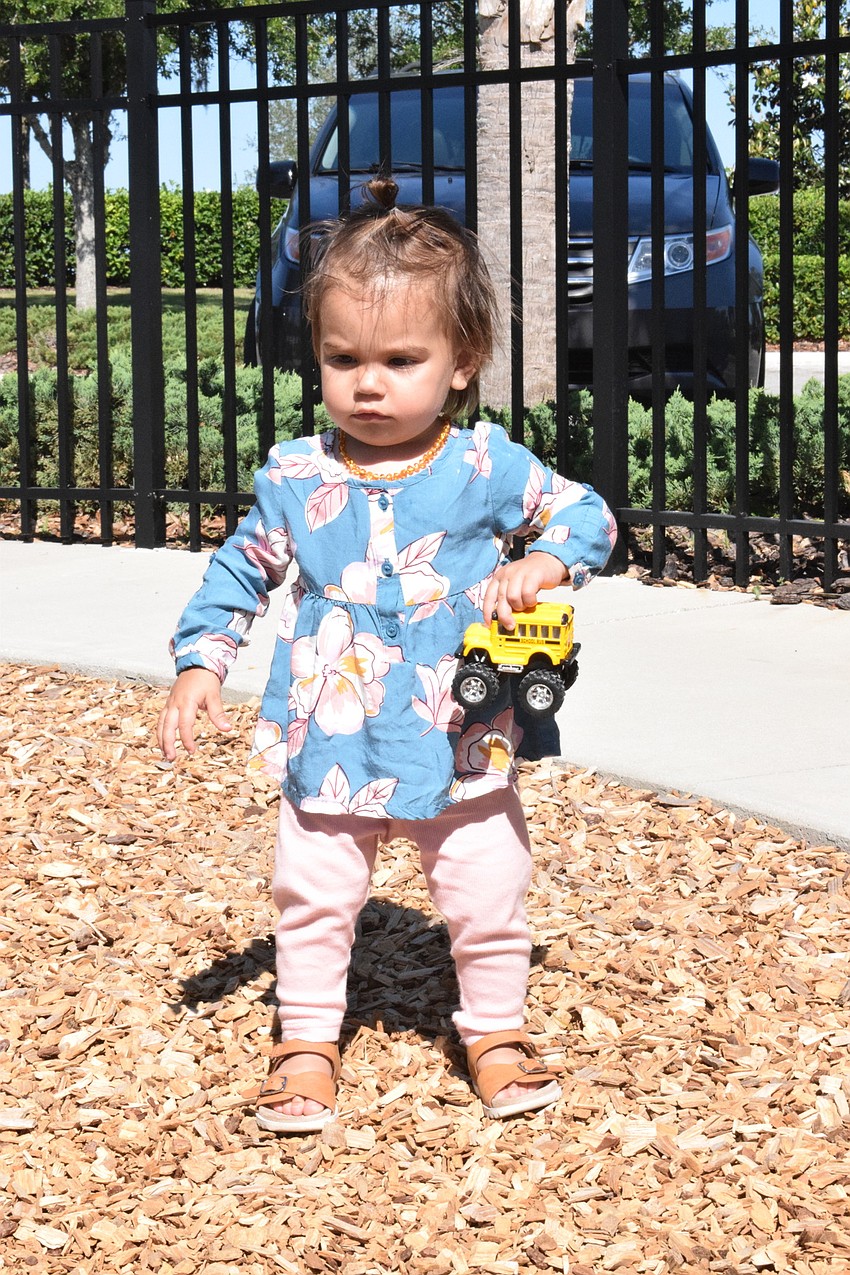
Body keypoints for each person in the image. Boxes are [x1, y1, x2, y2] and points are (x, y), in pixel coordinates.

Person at [157, 177, 618, 1134]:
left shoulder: (488, 466)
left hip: (458, 728)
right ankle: (308, 1037)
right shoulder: (294, 477)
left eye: (401, 358)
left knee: (488, 887)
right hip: (333, 728)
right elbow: (240, 571)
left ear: (464, 360)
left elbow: (589, 514)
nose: (369, 383)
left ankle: (494, 1027)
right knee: (316, 892)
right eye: (343, 358)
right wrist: (203, 661)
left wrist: (541, 559)